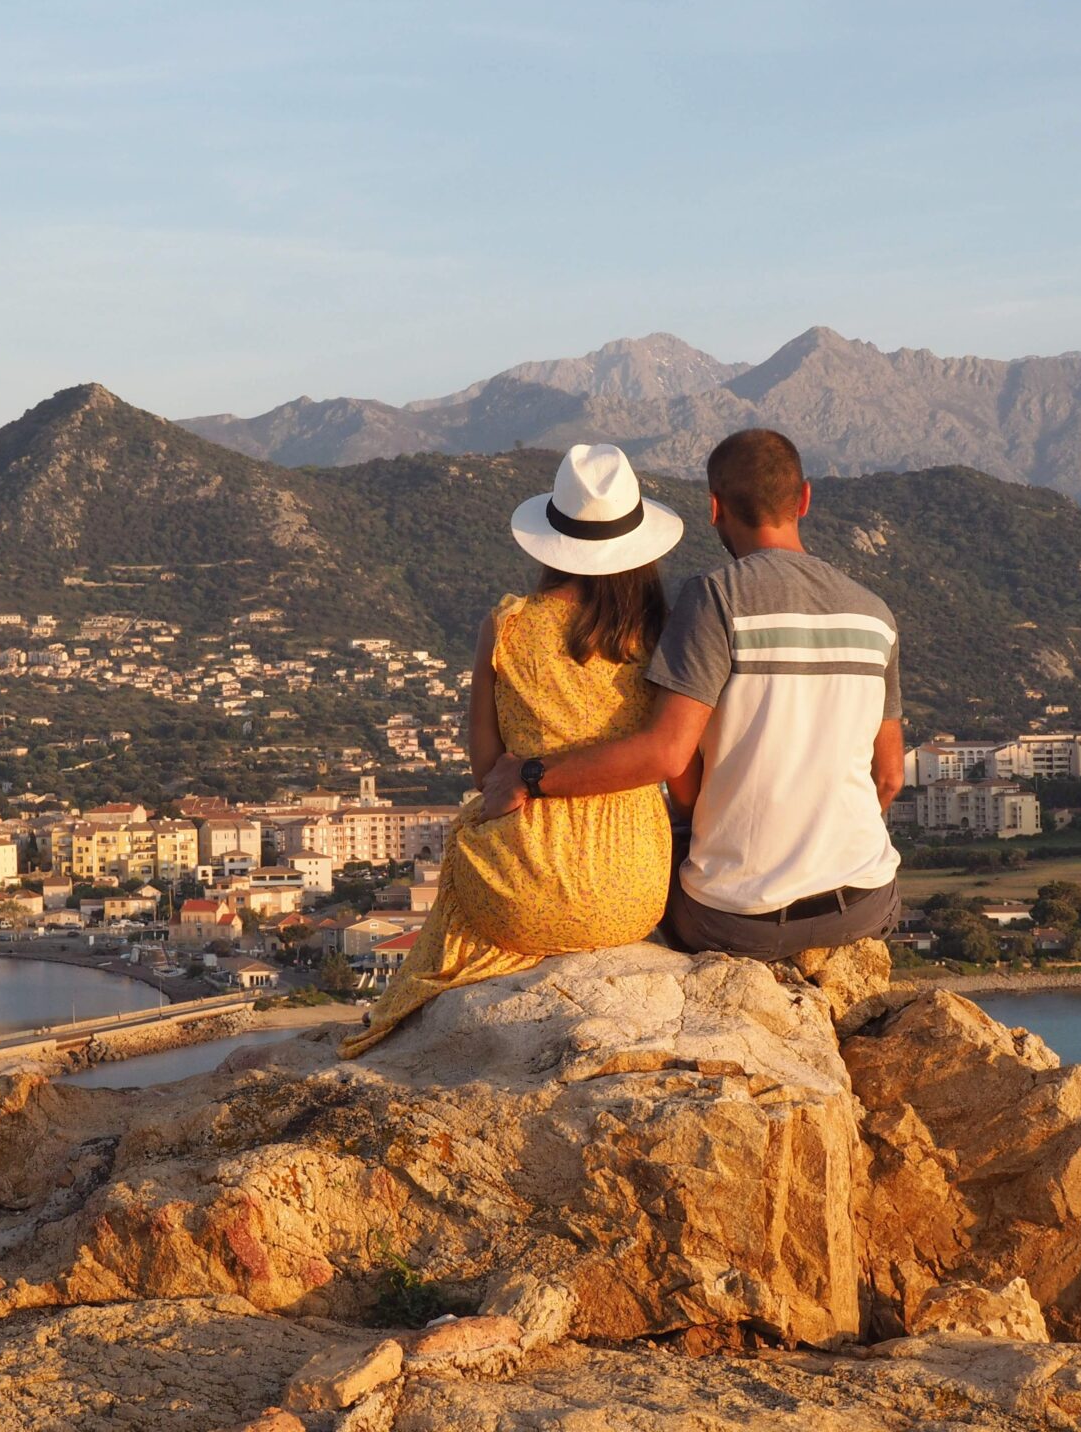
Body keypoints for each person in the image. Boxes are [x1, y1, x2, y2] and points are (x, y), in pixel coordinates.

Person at [481, 428, 903, 997]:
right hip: (865, 904)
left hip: (737, 920)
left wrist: (530, 775)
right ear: (804, 499)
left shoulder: (716, 598)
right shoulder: (875, 615)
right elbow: (890, 775)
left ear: (713, 507)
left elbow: (670, 755)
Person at [340, 444, 689, 1058]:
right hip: (633, 895)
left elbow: (484, 771)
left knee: (464, 836)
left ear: (552, 539)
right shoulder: (664, 632)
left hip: (521, 895)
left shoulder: (508, 627)